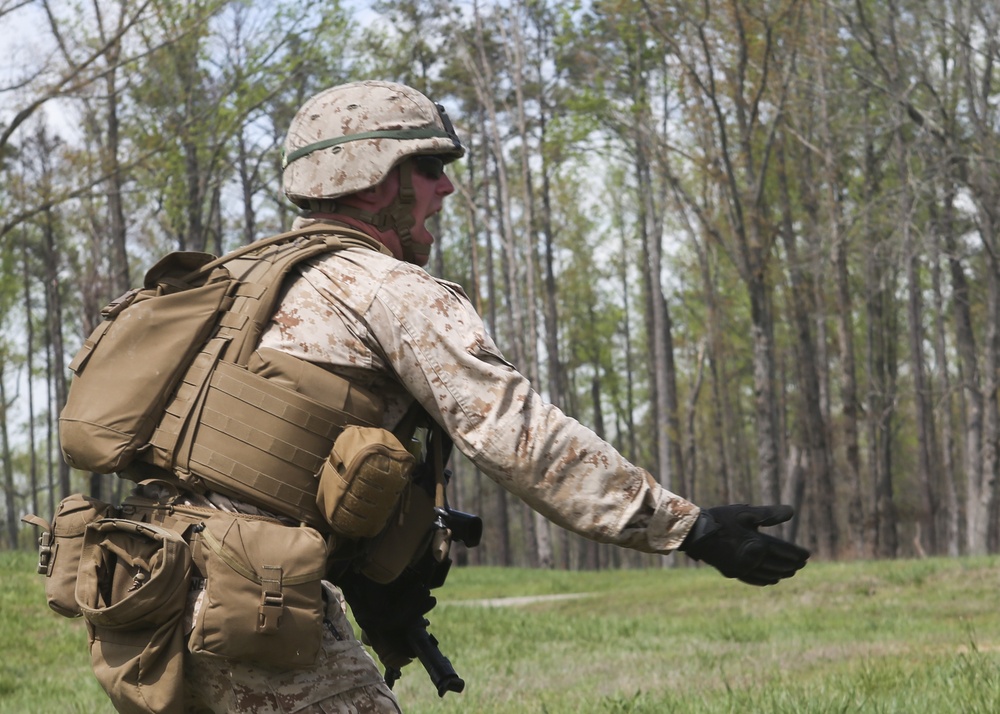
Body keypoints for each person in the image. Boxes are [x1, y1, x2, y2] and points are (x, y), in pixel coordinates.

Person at [181, 80, 809, 713]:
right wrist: (690, 527)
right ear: (374, 181)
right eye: (428, 169)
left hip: (147, 586)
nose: (445, 188)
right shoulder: (384, 287)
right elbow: (516, 434)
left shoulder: (230, 284)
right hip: (249, 597)